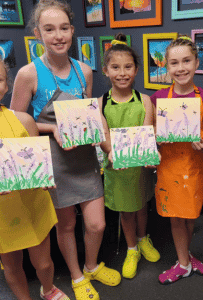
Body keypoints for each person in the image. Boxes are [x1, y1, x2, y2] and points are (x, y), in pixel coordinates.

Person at [10, 1, 120, 299]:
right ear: (37, 33)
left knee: (97, 223)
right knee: (68, 224)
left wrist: (109, 146)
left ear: (72, 30)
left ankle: (91, 265)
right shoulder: (28, 74)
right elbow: (16, 121)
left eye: (63, 28)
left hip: (84, 157)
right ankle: (76, 276)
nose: (58, 35)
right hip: (54, 161)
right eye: (49, 29)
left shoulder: (84, 70)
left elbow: (87, 113)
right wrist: (52, 128)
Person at [150, 35, 203, 284]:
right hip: (168, 166)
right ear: (167, 67)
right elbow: (150, 135)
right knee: (175, 217)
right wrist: (158, 139)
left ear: (196, 62)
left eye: (186, 61)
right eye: (174, 63)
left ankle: (184, 259)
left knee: (189, 214)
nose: (181, 68)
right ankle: (184, 263)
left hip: (192, 166)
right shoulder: (157, 99)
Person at [0, 58, 70, 300]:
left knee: (44, 263)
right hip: (2, 215)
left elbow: (40, 164)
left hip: (33, 205)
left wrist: (45, 177)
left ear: (6, 86)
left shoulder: (23, 120)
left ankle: (48, 288)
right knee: (11, 265)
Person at [99, 33, 160, 279]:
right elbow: (104, 136)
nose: (122, 73)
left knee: (143, 205)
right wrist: (113, 153)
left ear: (136, 70)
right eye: (115, 67)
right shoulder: (100, 103)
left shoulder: (145, 100)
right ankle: (132, 249)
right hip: (117, 167)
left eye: (128, 67)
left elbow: (148, 131)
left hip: (140, 167)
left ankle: (143, 239)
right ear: (105, 71)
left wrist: (148, 152)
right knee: (126, 211)